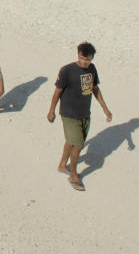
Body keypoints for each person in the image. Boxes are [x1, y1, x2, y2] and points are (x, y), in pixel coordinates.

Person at [46, 41, 113, 192]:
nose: (84, 62)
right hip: (69, 114)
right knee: (79, 145)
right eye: (82, 58)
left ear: (92, 59)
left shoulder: (92, 69)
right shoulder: (66, 70)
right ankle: (74, 175)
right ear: (78, 55)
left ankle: (63, 164)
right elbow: (57, 91)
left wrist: (105, 109)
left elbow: (95, 89)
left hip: (84, 113)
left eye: (88, 59)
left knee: (71, 141)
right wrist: (51, 110)